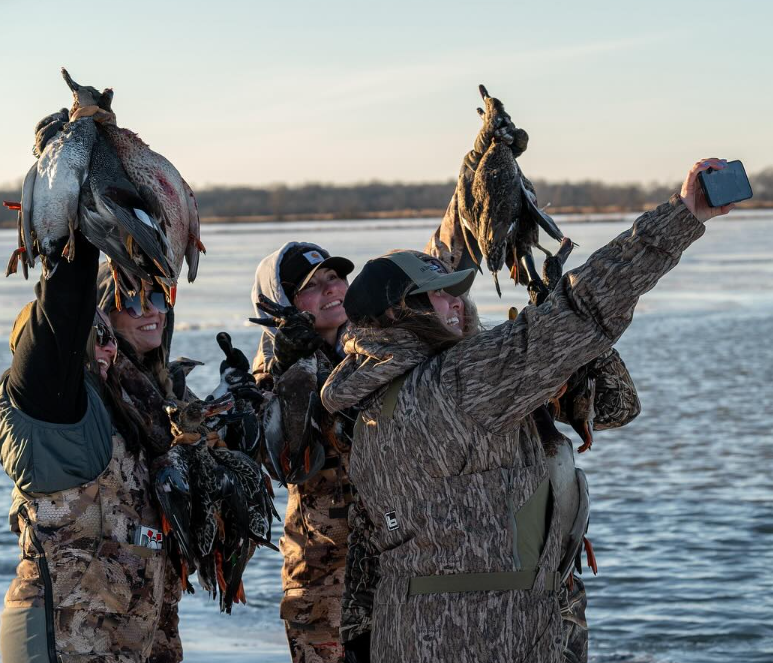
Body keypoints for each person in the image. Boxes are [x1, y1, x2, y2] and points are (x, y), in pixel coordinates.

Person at [319, 159, 733, 662]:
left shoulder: (368, 404)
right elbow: (583, 311)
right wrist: (683, 215)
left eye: (455, 291)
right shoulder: (459, 383)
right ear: (394, 315)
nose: (454, 303)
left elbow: (373, 553)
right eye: (434, 297)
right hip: (483, 637)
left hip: (413, 632)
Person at [0, 231, 182, 663]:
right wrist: (77, 235)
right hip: (59, 637)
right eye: (94, 334)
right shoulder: (49, 407)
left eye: (108, 337)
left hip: (120, 638)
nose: (107, 348)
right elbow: (59, 315)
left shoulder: (118, 413)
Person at [250, 242, 358, 662]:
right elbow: (283, 461)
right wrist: (291, 369)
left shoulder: (375, 354)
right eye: (313, 286)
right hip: (322, 579)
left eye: (335, 277)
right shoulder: (268, 378)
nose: (332, 289)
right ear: (281, 302)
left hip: (391, 570)